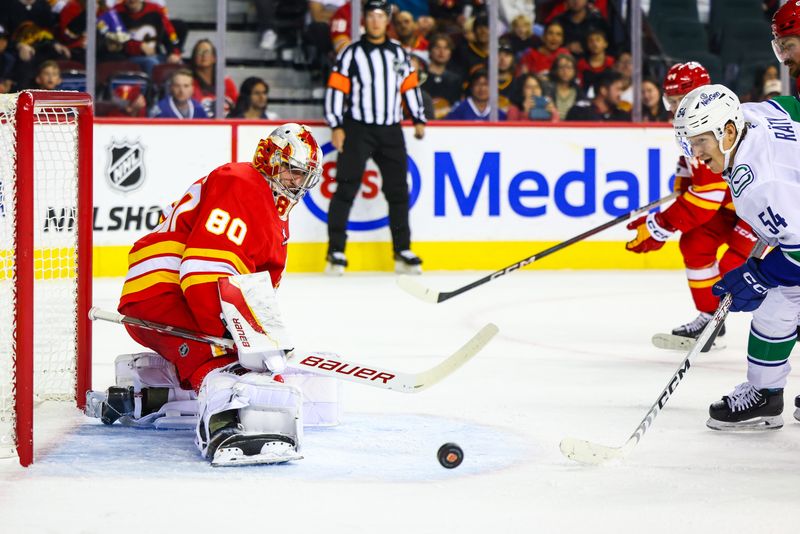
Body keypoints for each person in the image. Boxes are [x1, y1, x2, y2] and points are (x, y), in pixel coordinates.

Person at [99, 123, 323, 465]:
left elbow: (255, 291)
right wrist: (232, 337)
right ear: (270, 159)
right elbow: (203, 271)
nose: (296, 182)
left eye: (302, 175)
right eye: (292, 171)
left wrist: (259, 339)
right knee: (224, 360)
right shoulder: (242, 183)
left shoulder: (276, 214)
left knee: (250, 363)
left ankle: (167, 391)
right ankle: (224, 427)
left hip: (183, 296)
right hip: (162, 293)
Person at [673, 84, 800, 430]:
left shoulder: (760, 185)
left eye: (701, 141)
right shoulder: (752, 114)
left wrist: (758, 275)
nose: (696, 153)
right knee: (786, 300)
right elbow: (792, 106)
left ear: (728, 132)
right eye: (690, 142)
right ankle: (765, 392)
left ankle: (763, 394)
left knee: (781, 300)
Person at [625, 62, 755, 350]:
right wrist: (681, 195)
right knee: (695, 243)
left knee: (735, 266)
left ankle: (783, 322)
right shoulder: (689, 124)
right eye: (669, 101)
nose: (673, 108)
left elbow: (706, 198)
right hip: (730, 207)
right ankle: (711, 317)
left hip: (758, 210)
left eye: (678, 101)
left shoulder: (716, 124)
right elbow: (690, 172)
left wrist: (660, 224)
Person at [323, 0, 426, 275]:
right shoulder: (351, 53)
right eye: (371, 16)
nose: (376, 21)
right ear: (364, 20)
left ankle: (402, 250)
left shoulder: (398, 54)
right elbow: (336, 89)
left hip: (391, 129)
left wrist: (417, 117)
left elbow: (409, 86)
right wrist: (336, 124)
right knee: (345, 188)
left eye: (381, 16)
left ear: (387, 21)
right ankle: (336, 251)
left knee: (398, 191)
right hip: (358, 129)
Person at [114, 0, 182, 74]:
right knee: (151, 62)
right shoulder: (116, 12)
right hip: (128, 58)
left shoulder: (155, 10)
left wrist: (174, 52)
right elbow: (116, 38)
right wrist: (139, 46)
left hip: (155, 55)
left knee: (178, 62)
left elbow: (171, 33)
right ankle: (152, 85)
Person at [189, 39, 238, 118]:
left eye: (207, 52)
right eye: (199, 52)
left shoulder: (226, 82)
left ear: (214, 58)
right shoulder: (188, 83)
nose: (203, 55)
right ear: (194, 57)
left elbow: (237, 108)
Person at [422, 33, 463, 119]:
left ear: (450, 52)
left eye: (446, 48)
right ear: (430, 50)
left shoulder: (456, 79)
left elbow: (457, 104)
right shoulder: (421, 77)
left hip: (449, 123)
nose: (442, 52)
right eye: (437, 47)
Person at [575, 27, 613, 92]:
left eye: (598, 40)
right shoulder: (581, 64)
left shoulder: (612, 63)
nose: (594, 43)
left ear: (605, 44)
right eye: (591, 41)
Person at [547, 53, 583, 119]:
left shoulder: (578, 91)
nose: (565, 71)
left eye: (569, 68)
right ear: (555, 70)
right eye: (561, 67)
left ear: (574, 71)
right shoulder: (548, 88)